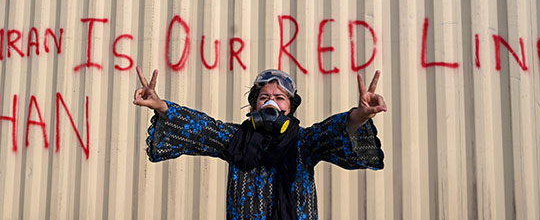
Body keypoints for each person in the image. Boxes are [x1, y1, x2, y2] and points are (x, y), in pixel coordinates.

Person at [133, 67, 386, 220]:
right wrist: (161, 106)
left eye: (279, 97)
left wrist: (360, 116)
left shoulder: (305, 142)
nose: (271, 102)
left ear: (290, 107)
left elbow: (334, 131)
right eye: (264, 97)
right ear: (254, 105)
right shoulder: (236, 139)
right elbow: (200, 128)